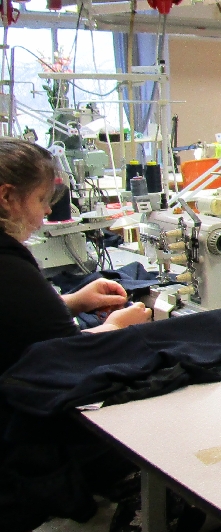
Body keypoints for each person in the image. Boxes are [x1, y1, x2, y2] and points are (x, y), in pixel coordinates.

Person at [0, 138, 151, 373]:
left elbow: (15, 317)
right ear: (7, 197)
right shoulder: (9, 265)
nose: (48, 210)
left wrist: (74, 302)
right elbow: (67, 354)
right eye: (41, 199)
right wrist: (117, 327)